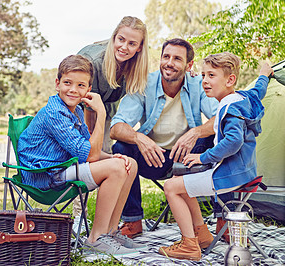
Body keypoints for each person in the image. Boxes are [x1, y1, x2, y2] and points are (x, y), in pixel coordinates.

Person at [17, 55, 142, 256]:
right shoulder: (55, 113)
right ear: (57, 84)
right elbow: (90, 156)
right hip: (45, 175)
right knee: (117, 168)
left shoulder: (73, 112)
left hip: (62, 168)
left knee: (130, 164)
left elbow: (88, 149)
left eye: (80, 85)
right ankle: (96, 238)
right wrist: (101, 113)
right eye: (68, 83)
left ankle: (110, 232)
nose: (73, 90)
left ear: (88, 89)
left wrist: (112, 158)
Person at [158, 53, 273, 261]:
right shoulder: (244, 98)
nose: (205, 81)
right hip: (244, 173)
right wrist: (264, 74)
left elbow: (233, 142)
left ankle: (188, 245)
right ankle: (201, 235)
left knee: (170, 187)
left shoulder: (230, 108)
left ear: (230, 80)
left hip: (229, 176)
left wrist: (203, 157)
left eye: (211, 75)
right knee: (179, 184)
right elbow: (259, 90)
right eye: (203, 75)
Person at [110, 38, 226, 239]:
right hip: (153, 157)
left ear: (189, 65)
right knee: (121, 147)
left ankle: (224, 219)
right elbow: (116, 127)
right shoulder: (144, 84)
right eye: (166, 57)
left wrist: (196, 132)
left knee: (222, 138)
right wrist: (139, 137)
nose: (170, 63)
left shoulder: (199, 84)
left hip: (189, 157)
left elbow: (223, 116)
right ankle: (132, 220)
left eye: (177, 59)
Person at [71, 16, 149, 227]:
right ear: (114, 37)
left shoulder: (135, 66)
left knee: (108, 157)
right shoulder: (96, 62)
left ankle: (108, 224)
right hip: (77, 106)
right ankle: (80, 216)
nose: (124, 47)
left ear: (140, 47)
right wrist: (90, 146)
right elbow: (86, 106)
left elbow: (152, 83)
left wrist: (191, 76)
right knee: (86, 158)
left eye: (132, 43)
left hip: (104, 108)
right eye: (121, 39)